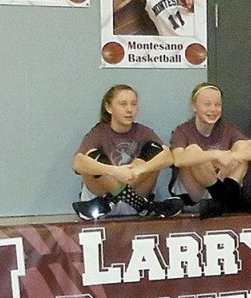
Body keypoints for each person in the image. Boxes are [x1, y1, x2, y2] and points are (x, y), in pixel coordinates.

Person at [71, 84, 181, 221]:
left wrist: (139, 169)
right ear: (109, 107)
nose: (129, 110)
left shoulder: (143, 131)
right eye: (123, 104)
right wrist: (114, 171)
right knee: (93, 157)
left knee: (154, 150)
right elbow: (77, 163)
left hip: (116, 201)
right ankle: (144, 206)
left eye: (133, 104)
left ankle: (112, 201)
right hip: (100, 198)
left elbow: (168, 157)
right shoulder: (98, 133)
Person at [170, 83, 251, 218]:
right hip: (196, 193)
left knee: (242, 148)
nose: (213, 109)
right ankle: (228, 200)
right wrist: (215, 155)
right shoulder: (183, 130)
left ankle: (224, 201)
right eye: (207, 104)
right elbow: (178, 160)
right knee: (194, 151)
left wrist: (232, 155)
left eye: (217, 105)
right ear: (194, 106)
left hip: (223, 185)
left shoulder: (227, 128)